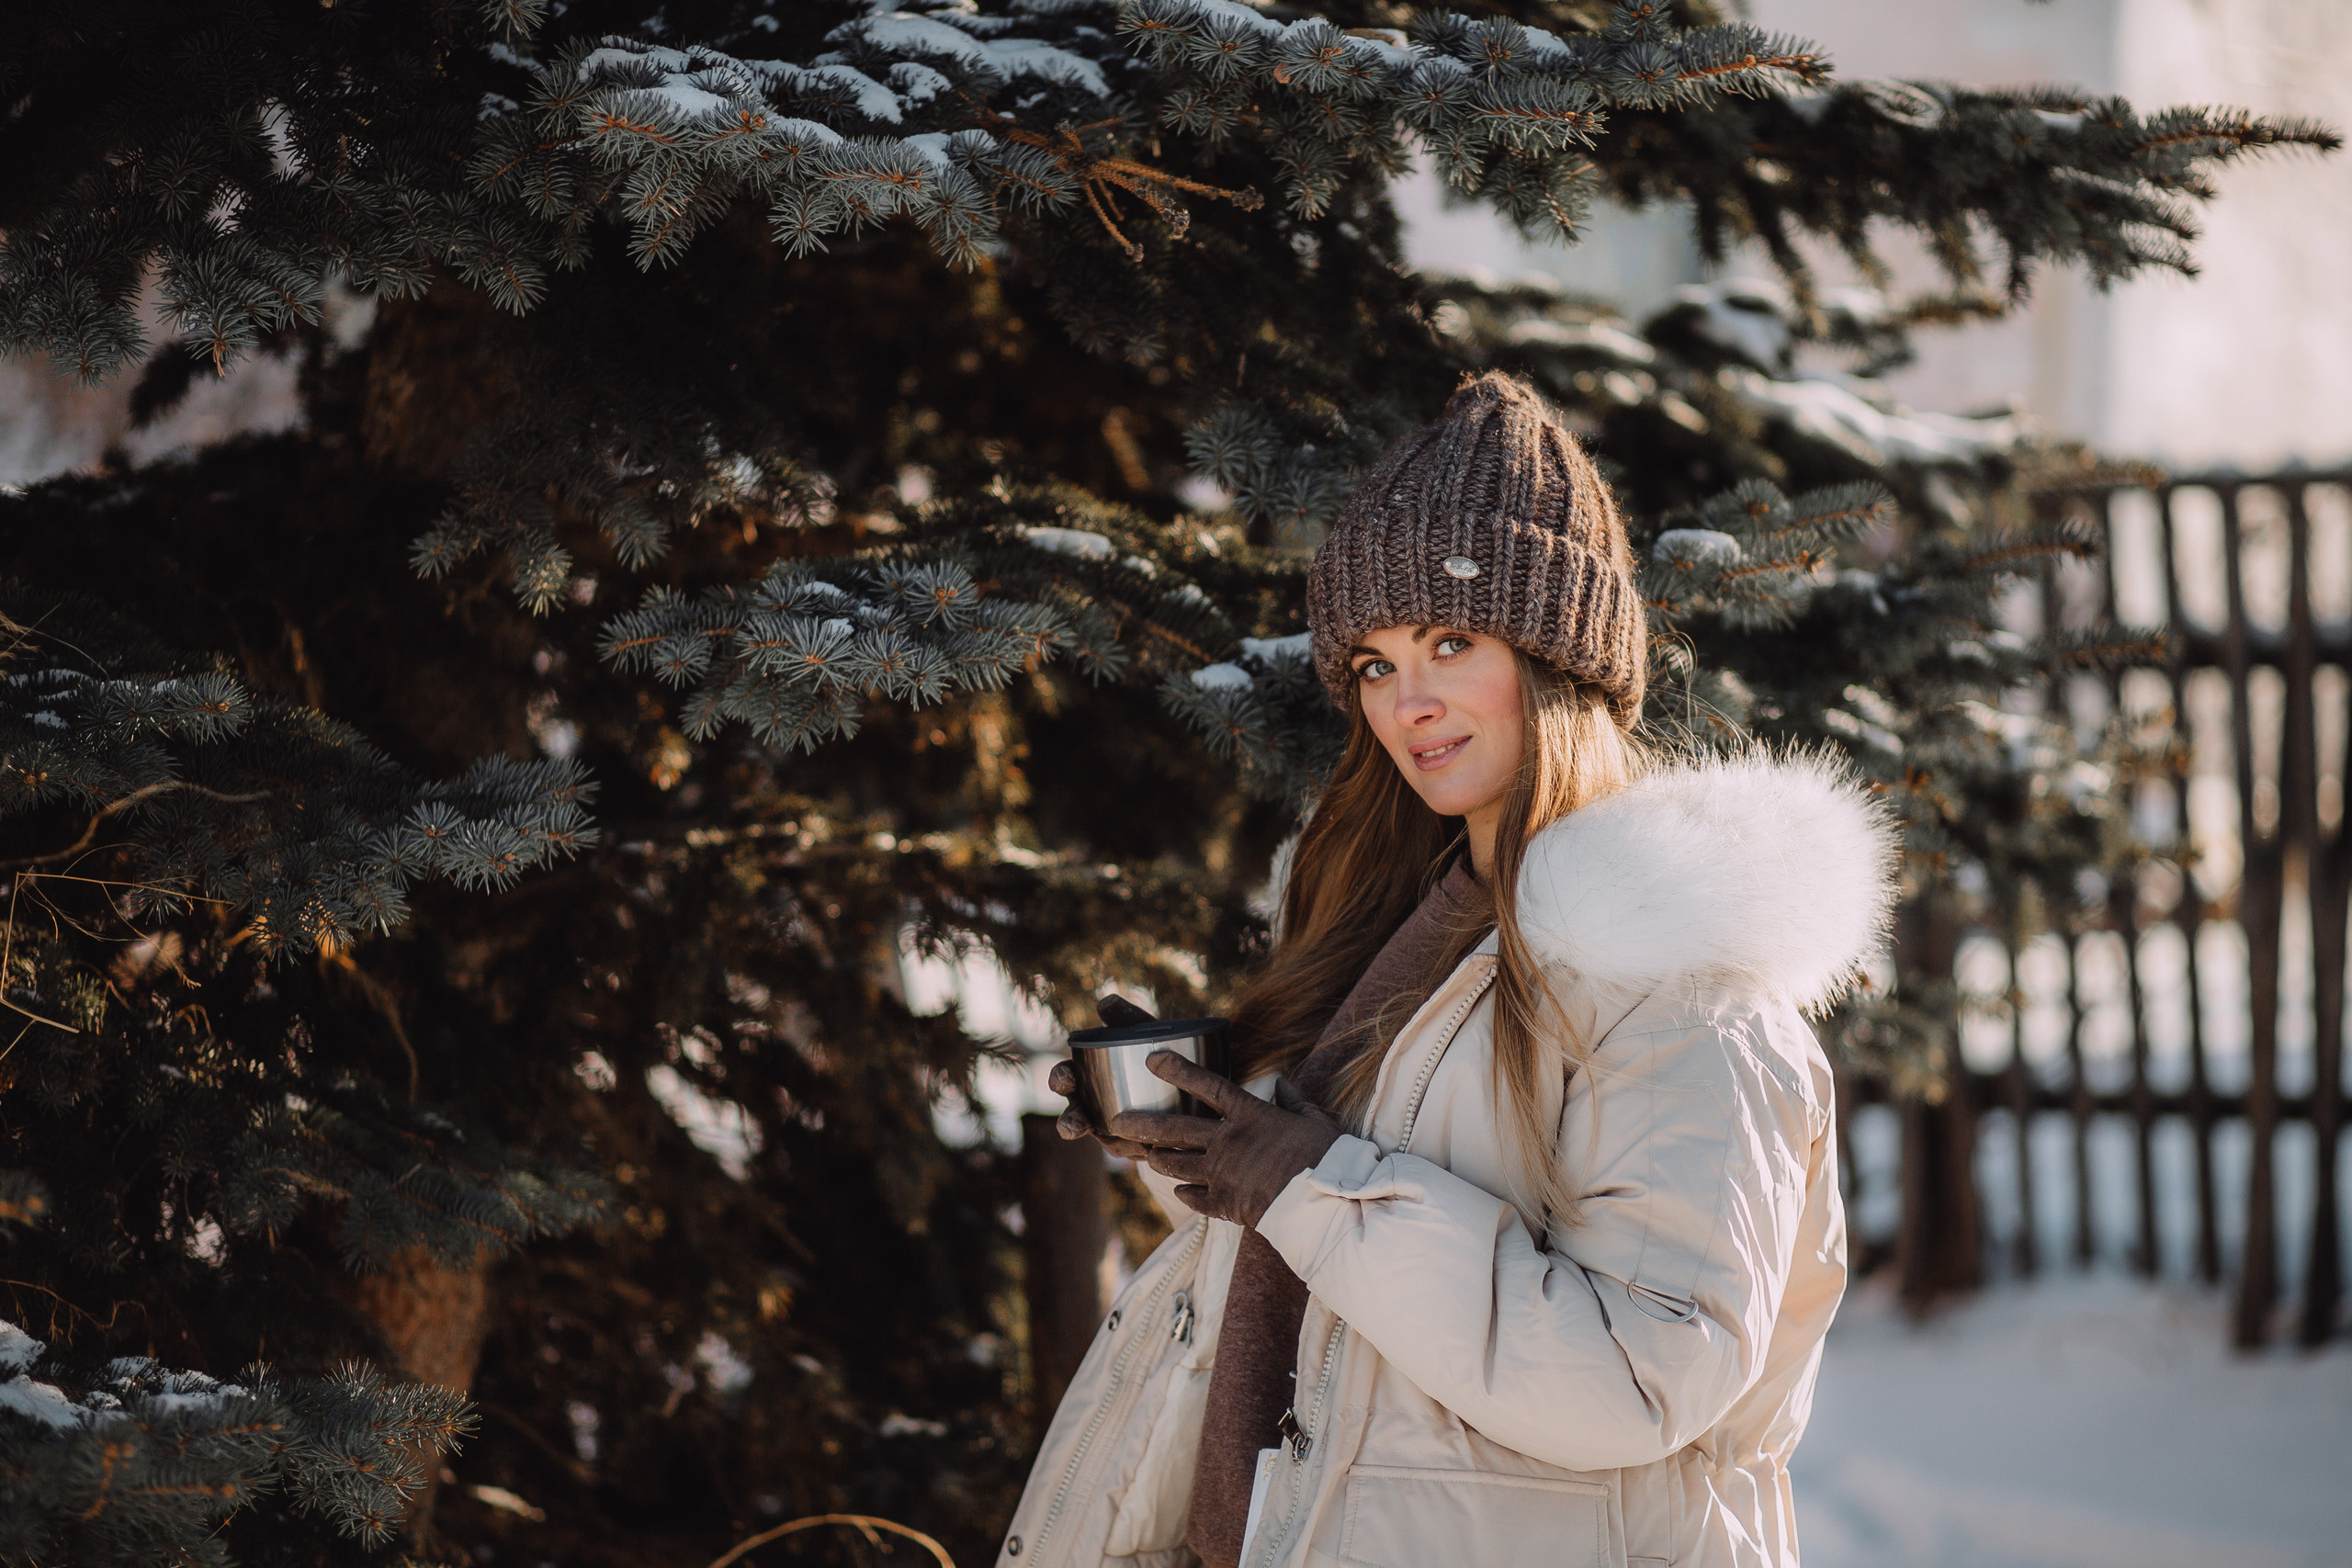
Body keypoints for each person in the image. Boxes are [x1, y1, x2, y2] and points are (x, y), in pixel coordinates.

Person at [997, 374, 1896, 1568]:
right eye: (1371, 663)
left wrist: (1309, 1181)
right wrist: (1206, 1131)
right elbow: (1335, 1285)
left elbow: (1632, 1381)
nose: (1406, 701)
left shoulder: (1682, 986)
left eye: (1450, 643)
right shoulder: (1405, 931)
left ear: (1556, 655)